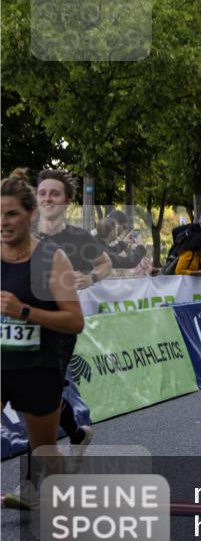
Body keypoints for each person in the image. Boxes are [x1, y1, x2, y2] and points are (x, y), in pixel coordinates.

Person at [1, 174, 85, 501]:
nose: (3, 222)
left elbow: (75, 321)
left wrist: (24, 311)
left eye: (12, 214)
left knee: (45, 452)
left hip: (37, 367)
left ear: (31, 214)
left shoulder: (52, 258)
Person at [34, 169, 107, 457]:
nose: (47, 198)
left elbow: (104, 263)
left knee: (41, 393)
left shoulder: (78, 237)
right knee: (38, 392)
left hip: (60, 327)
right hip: (21, 323)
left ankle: (36, 474)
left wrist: (90, 277)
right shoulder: (23, 230)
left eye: (55, 193)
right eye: (42, 193)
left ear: (66, 201)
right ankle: (77, 434)